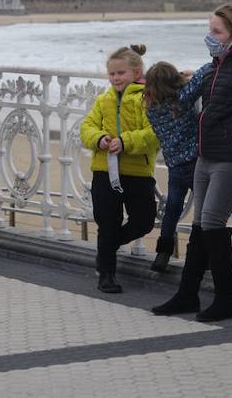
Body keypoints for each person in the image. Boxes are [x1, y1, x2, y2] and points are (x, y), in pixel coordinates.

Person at [151, 4, 232, 322]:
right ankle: (187, 295)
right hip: (206, 156)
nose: (210, 36)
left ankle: (225, 300)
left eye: (216, 32)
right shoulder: (215, 67)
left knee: (212, 222)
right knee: (199, 225)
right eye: (210, 30)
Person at [79, 44, 160, 293]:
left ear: (136, 72)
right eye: (112, 74)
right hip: (104, 172)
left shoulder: (147, 99)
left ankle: (108, 248)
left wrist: (126, 142)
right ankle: (106, 274)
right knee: (107, 222)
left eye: (121, 73)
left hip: (138, 173)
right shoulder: (104, 100)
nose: (115, 78)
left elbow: (154, 134)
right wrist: (99, 138)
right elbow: (87, 127)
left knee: (144, 221)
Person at [141, 60, 210, 272]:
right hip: (196, 164)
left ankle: (163, 253)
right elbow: (207, 71)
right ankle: (203, 255)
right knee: (205, 211)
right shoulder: (181, 100)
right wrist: (189, 74)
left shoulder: (151, 110)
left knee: (172, 209)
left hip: (174, 167)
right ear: (174, 81)